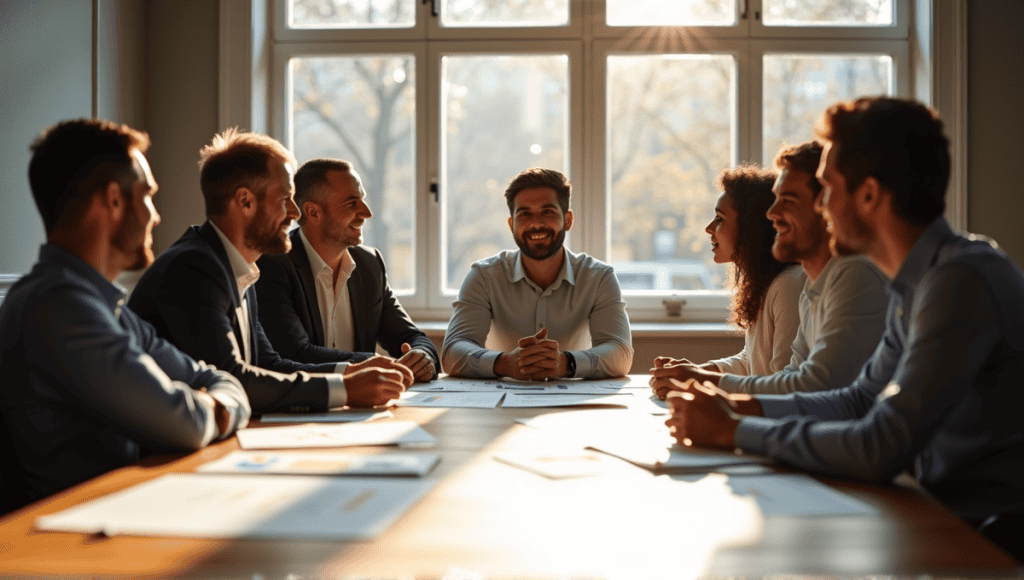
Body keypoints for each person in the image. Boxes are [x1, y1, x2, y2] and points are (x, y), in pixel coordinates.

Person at [665, 97, 1024, 560]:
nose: (824, 203)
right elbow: (858, 399)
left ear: (870, 195)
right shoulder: (915, 284)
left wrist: (734, 430)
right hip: (942, 515)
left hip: (991, 539)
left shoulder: (960, 281)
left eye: (828, 187)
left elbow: (881, 444)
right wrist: (737, 405)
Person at [0, 119, 250, 513]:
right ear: (114, 201)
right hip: (66, 546)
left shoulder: (103, 304)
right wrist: (218, 410)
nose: (155, 215)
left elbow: (214, 378)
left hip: (119, 513)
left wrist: (216, 404)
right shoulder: (58, 307)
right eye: (147, 195)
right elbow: (181, 422)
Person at [129, 129, 411, 415]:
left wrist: (351, 371)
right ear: (245, 201)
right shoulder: (194, 268)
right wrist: (346, 390)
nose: (295, 213)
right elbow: (232, 379)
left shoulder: (239, 266)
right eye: (285, 199)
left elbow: (269, 364)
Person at [652, 141, 888, 396]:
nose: (772, 213)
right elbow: (781, 371)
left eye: (788, 200)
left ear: (825, 206)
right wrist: (700, 375)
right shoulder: (811, 284)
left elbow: (810, 387)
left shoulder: (830, 280)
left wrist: (707, 384)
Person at [255, 159, 439, 382]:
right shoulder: (273, 265)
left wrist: (421, 357)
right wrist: (373, 364)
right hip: (305, 407)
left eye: (363, 199)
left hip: (364, 408)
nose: (366, 212)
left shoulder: (369, 264)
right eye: (352, 203)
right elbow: (292, 353)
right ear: (313, 212)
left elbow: (410, 337)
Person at [442, 168, 632, 380]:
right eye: (525, 214)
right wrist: (506, 363)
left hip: (573, 403)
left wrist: (565, 363)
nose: (536, 223)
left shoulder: (599, 278)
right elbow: (452, 351)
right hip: (499, 407)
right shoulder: (484, 276)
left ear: (568, 220)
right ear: (511, 224)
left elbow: (620, 353)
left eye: (548, 212)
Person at [659, 164, 804, 378]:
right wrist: (696, 371)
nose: (709, 228)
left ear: (750, 227)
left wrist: (703, 378)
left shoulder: (787, 285)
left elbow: (782, 380)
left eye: (719, 219)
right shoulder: (765, 283)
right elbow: (751, 362)